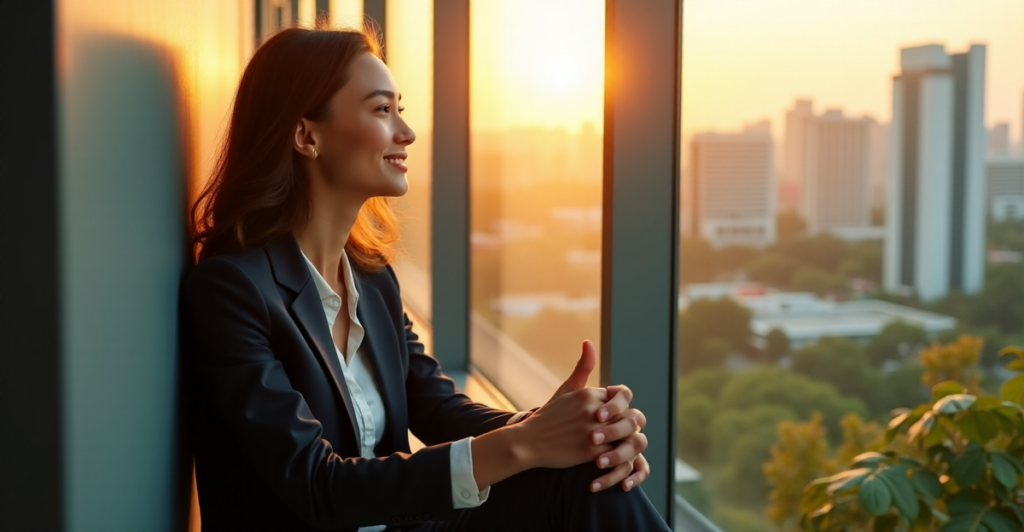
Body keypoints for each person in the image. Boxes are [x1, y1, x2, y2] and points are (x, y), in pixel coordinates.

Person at [181, 25, 671, 532]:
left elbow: (438, 409)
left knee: (587, 471)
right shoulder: (231, 291)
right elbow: (317, 486)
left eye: (401, 108)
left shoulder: (372, 281)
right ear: (308, 136)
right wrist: (527, 442)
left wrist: (567, 428)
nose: (406, 132)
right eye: (380, 109)